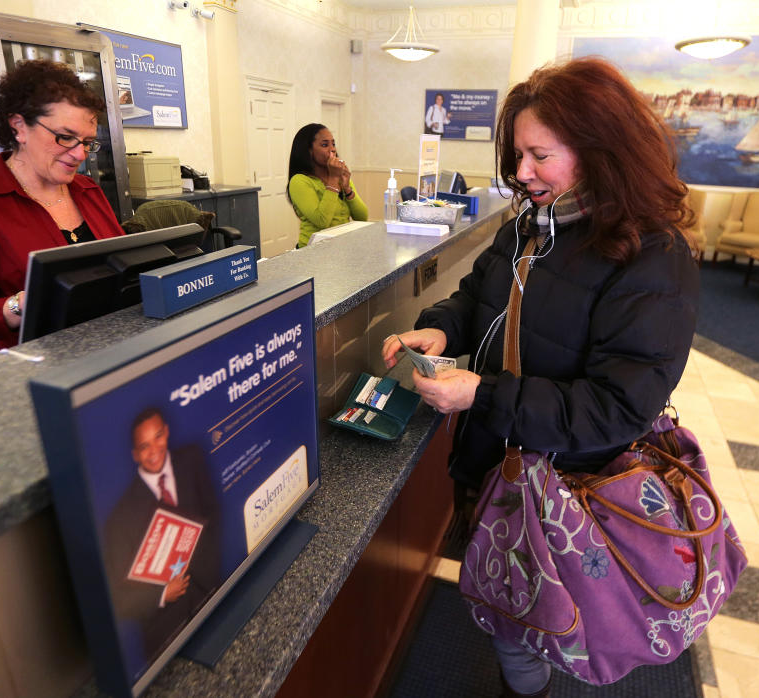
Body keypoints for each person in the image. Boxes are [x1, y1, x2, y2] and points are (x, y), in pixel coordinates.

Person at [382, 57, 699, 697]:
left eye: (539, 155)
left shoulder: (652, 256)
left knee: (529, 620)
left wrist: (483, 393)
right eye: (517, 155)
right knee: (509, 602)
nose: (521, 173)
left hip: (570, 491)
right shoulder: (531, 221)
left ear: (600, 152)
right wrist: (445, 327)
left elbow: (616, 408)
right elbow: (479, 296)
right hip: (497, 465)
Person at [0, 59, 124, 349]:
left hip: (114, 339)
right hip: (43, 356)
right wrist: (21, 305)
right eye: (65, 137)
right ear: (19, 127)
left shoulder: (87, 189)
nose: (80, 154)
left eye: (87, 142)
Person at [104, 408, 221, 662]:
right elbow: (119, 600)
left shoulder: (192, 459)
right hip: (166, 635)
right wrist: (161, 594)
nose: (154, 449)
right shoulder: (119, 520)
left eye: (158, 437)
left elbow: (214, 513)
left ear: (167, 432)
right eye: (144, 446)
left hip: (213, 597)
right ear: (135, 454)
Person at [286, 123, 368, 248]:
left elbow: (362, 217)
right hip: (312, 250)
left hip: (341, 246)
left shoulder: (339, 175)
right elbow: (322, 221)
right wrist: (334, 178)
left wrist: (347, 189)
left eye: (333, 144)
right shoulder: (299, 181)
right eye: (325, 145)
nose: (332, 149)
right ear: (309, 150)